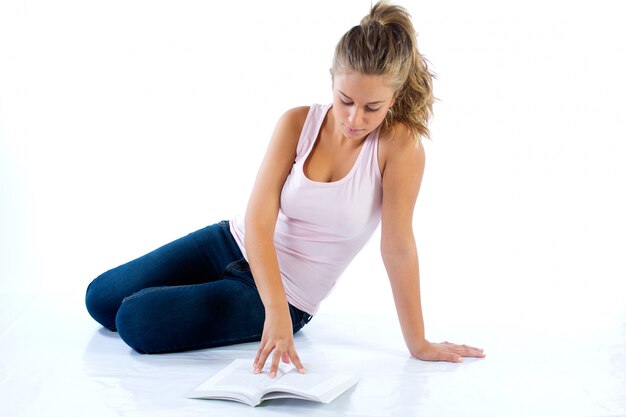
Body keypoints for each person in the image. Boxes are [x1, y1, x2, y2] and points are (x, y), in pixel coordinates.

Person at [85, 0, 485, 378]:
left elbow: (397, 246)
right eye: (345, 100)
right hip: (231, 243)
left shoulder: (400, 148)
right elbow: (259, 219)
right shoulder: (297, 123)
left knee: (135, 321)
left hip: (290, 294)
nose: (354, 118)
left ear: (393, 98)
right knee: (100, 298)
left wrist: (417, 342)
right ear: (331, 79)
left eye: (372, 107)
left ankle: (205, 301)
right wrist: (271, 312)